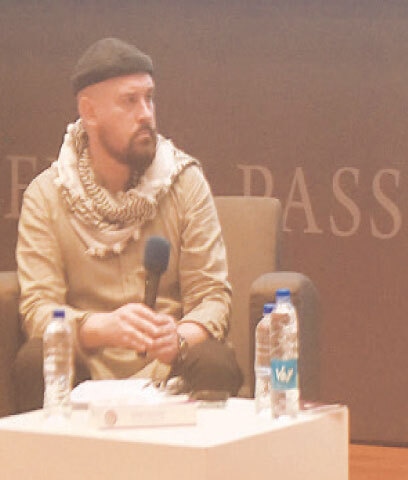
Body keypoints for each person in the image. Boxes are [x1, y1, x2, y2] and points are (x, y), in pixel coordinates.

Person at [13, 37, 242, 411]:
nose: (146, 115)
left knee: (215, 360)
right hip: (86, 361)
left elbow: (213, 298)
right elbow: (39, 309)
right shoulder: (46, 194)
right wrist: (99, 327)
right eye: (129, 101)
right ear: (90, 112)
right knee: (35, 359)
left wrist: (179, 337)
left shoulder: (184, 181)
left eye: (149, 98)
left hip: (167, 362)